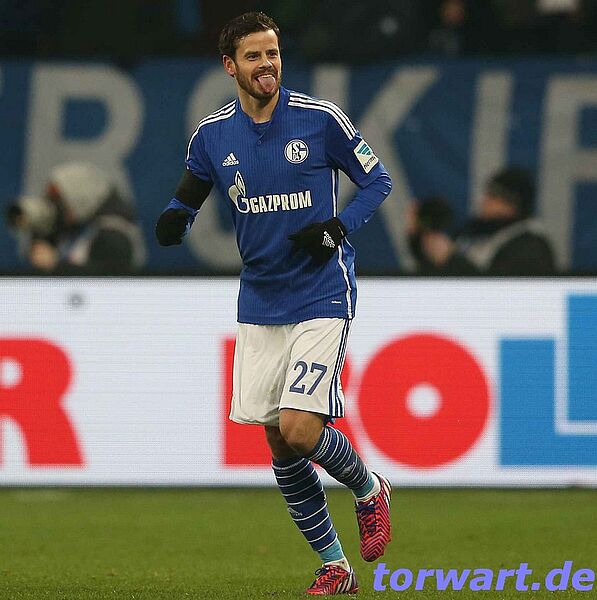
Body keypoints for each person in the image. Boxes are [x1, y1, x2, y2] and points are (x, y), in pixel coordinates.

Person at [155, 11, 393, 595]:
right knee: (278, 440)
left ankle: (369, 489)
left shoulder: (319, 118)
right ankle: (335, 566)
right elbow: (192, 189)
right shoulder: (212, 135)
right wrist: (175, 218)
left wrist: (338, 229)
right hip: (260, 299)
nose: (267, 65)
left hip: (320, 291)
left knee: (300, 428)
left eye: (273, 53)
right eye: (254, 56)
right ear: (230, 66)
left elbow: (377, 181)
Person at [410, 166, 557, 275]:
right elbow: (435, 271)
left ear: (512, 204)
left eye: (493, 196)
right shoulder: (475, 231)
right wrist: (418, 238)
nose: (484, 201)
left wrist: (449, 260)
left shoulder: (530, 245)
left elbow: (499, 293)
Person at [7, 161, 146, 274]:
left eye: (58, 199)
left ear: (80, 198)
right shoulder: (84, 229)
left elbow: (104, 281)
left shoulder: (114, 236)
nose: (54, 206)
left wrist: (54, 266)